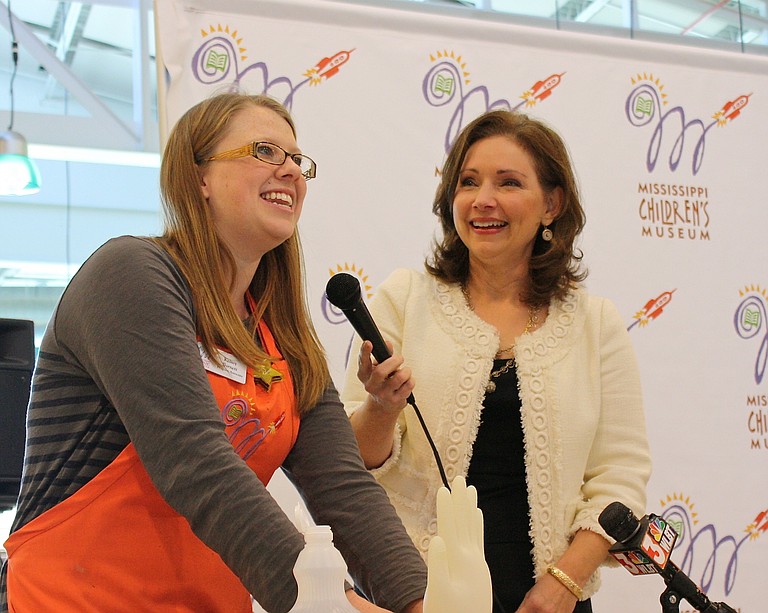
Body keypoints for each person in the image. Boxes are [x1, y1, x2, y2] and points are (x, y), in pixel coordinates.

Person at [0, 92, 426, 613]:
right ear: (199, 176)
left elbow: (344, 489)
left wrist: (418, 600)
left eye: (297, 160)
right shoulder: (132, 274)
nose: (290, 171)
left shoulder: (280, 329)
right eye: (266, 151)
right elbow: (195, 461)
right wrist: (330, 602)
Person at [341, 110, 651, 613]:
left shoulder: (596, 324)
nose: (483, 200)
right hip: (416, 595)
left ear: (552, 204)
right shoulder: (404, 300)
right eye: (468, 182)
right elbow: (353, 465)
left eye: (508, 183)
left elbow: (620, 476)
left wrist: (564, 585)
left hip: (548, 600)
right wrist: (380, 406)